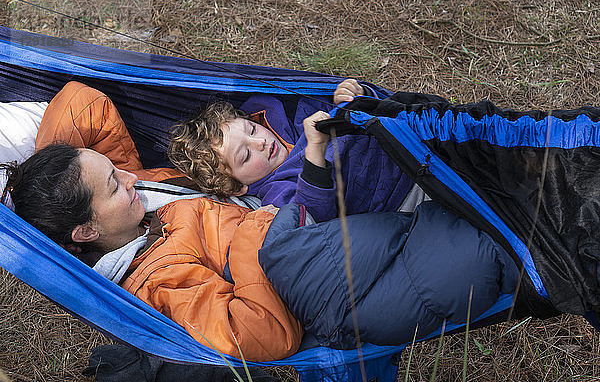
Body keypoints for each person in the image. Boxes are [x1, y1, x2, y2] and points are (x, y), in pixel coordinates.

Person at [1, 81, 519, 360]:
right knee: (495, 236)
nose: (130, 179)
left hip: (326, 200)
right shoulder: (156, 276)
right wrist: (257, 229)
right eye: (113, 184)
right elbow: (262, 333)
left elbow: (82, 101)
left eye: (116, 170)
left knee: (474, 149)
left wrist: (39, 184)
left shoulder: (139, 190)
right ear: (87, 232)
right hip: (305, 245)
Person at [168, 79, 419, 222]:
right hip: (402, 199)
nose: (260, 143)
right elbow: (315, 215)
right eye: (245, 156)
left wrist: (357, 95)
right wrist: (315, 152)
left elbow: (367, 110)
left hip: (410, 143)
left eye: (252, 130)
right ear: (236, 186)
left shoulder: (296, 112)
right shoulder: (276, 193)